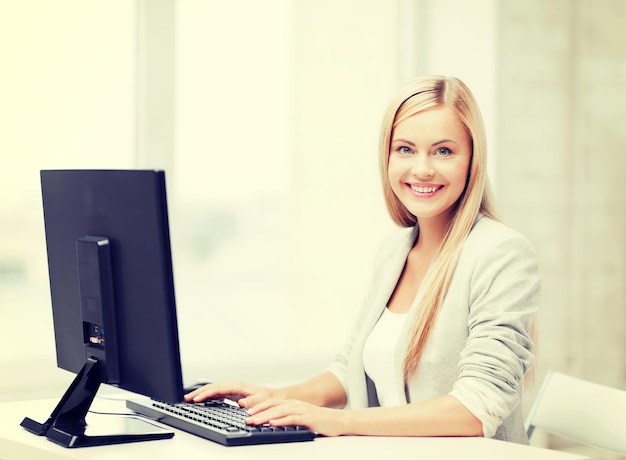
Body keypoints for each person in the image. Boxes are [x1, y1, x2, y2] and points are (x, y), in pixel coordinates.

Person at [186, 75, 540, 443]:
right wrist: (276, 398)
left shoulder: (501, 253)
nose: (422, 168)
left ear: (472, 161)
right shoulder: (395, 251)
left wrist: (338, 421)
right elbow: (348, 369)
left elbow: (476, 408)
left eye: (443, 151)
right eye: (405, 149)